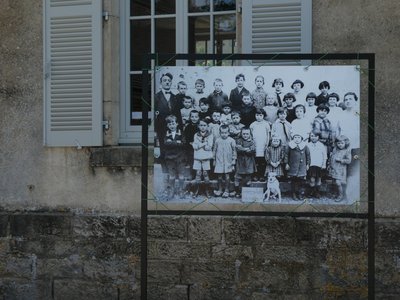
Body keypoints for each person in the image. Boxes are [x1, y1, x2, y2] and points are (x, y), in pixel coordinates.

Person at [154, 73, 182, 172]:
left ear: (171, 83)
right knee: (163, 150)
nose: (167, 82)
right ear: (161, 83)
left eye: (169, 81)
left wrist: (180, 129)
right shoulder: (156, 97)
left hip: (174, 129)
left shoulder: (175, 97)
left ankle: (174, 172)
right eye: (165, 80)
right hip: (161, 129)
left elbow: (178, 115)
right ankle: (165, 173)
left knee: (174, 150)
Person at [161, 115, 186, 200]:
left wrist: (171, 142)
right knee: (172, 176)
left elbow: (183, 144)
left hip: (180, 158)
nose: (172, 125)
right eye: (170, 124)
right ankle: (171, 191)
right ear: (167, 126)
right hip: (170, 158)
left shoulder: (181, 132)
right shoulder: (166, 134)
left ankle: (181, 190)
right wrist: (176, 142)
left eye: (173, 123)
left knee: (181, 175)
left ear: (177, 124)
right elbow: (165, 144)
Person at [213, 125, 237, 198]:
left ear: (228, 133)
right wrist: (214, 160)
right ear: (220, 133)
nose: (224, 134)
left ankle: (226, 190)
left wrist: (233, 160)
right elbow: (214, 150)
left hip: (228, 161)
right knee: (219, 176)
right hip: (219, 161)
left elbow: (234, 151)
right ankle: (220, 189)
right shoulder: (217, 140)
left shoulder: (231, 140)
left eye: (226, 133)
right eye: (222, 133)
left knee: (227, 176)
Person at [192, 118, 214, 197]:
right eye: (201, 125)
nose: (203, 127)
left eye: (204, 125)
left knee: (205, 173)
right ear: (198, 126)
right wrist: (204, 143)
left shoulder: (210, 135)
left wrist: (200, 145)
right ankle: (196, 190)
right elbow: (195, 147)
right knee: (198, 173)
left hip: (206, 157)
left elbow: (209, 147)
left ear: (207, 126)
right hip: (197, 157)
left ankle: (207, 189)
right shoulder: (196, 135)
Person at [285, 132, 310, 200]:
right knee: (294, 181)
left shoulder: (304, 146)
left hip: (302, 167)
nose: (297, 139)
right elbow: (286, 155)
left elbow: (308, 155)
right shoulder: (290, 145)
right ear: (293, 138)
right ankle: (294, 193)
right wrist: (286, 163)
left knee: (301, 181)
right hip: (293, 166)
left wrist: (308, 164)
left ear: (301, 138)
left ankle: (300, 193)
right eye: (295, 137)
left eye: (298, 137)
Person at [234, 127, 256, 198]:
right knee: (237, 177)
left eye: (247, 134)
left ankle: (246, 193)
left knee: (247, 177)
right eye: (244, 134)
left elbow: (252, 152)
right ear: (241, 133)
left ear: (250, 134)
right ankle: (238, 191)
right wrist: (247, 149)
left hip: (249, 161)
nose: (245, 135)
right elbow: (238, 150)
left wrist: (243, 149)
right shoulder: (238, 140)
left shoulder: (252, 142)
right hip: (240, 161)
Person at [328, 135, 352, 201]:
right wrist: (329, 165)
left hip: (340, 169)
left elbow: (349, 161)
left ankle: (340, 195)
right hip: (333, 168)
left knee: (338, 182)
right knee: (334, 182)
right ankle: (335, 193)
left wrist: (341, 160)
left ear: (345, 143)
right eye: (338, 143)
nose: (340, 145)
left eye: (342, 143)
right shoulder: (335, 149)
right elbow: (332, 158)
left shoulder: (346, 151)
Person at [250, 109, 270, 181]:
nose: (258, 117)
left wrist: (266, 144)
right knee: (256, 162)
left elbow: (268, 135)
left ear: (263, 116)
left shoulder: (266, 124)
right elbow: (251, 135)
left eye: (260, 115)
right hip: (256, 145)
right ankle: (256, 175)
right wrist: (252, 144)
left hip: (263, 145)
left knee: (262, 162)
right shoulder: (253, 124)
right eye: (257, 115)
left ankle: (262, 175)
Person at [307, 131, 327, 198]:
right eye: (312, 136)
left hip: (319, 165)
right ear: (310, 137)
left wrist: (324, 164)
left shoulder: (321, 145)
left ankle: (317, 192)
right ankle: (312, 191)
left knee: (318, 180)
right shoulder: (308, 145)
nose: (313, 137)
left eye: (315, 136)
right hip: (311, 165)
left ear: (318, 137)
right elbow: (306, 156)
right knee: (312, 180)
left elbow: (325, 156)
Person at [183, 110, 200, 179]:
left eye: (196, 117)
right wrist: (190, 143)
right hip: (190, 147)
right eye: (192, 117)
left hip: (199, 146)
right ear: (190, 117)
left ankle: (199, 175)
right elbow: (186, 137)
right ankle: (192, 174)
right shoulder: (188, 127)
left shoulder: (200, 126)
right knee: (191, 161)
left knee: (199, 161)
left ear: (198, 117)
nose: (194, 118)